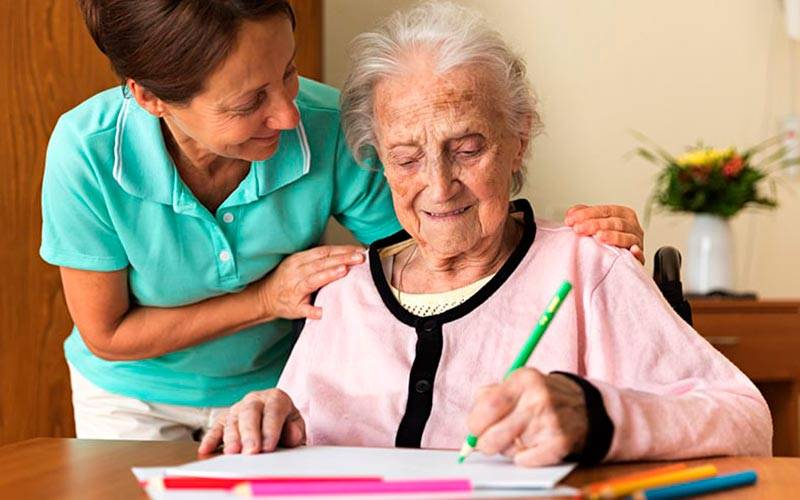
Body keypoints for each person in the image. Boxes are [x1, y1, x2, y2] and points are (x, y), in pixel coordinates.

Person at [200, 1, 772, 466]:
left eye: (467, 149)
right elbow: (302, 437)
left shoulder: (587, 267)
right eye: (406, 158)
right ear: (377, 160)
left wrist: (595, 415)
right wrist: (270, 420)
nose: (440, 186)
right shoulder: (344, 294)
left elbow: (745, 417)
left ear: (519, 138)